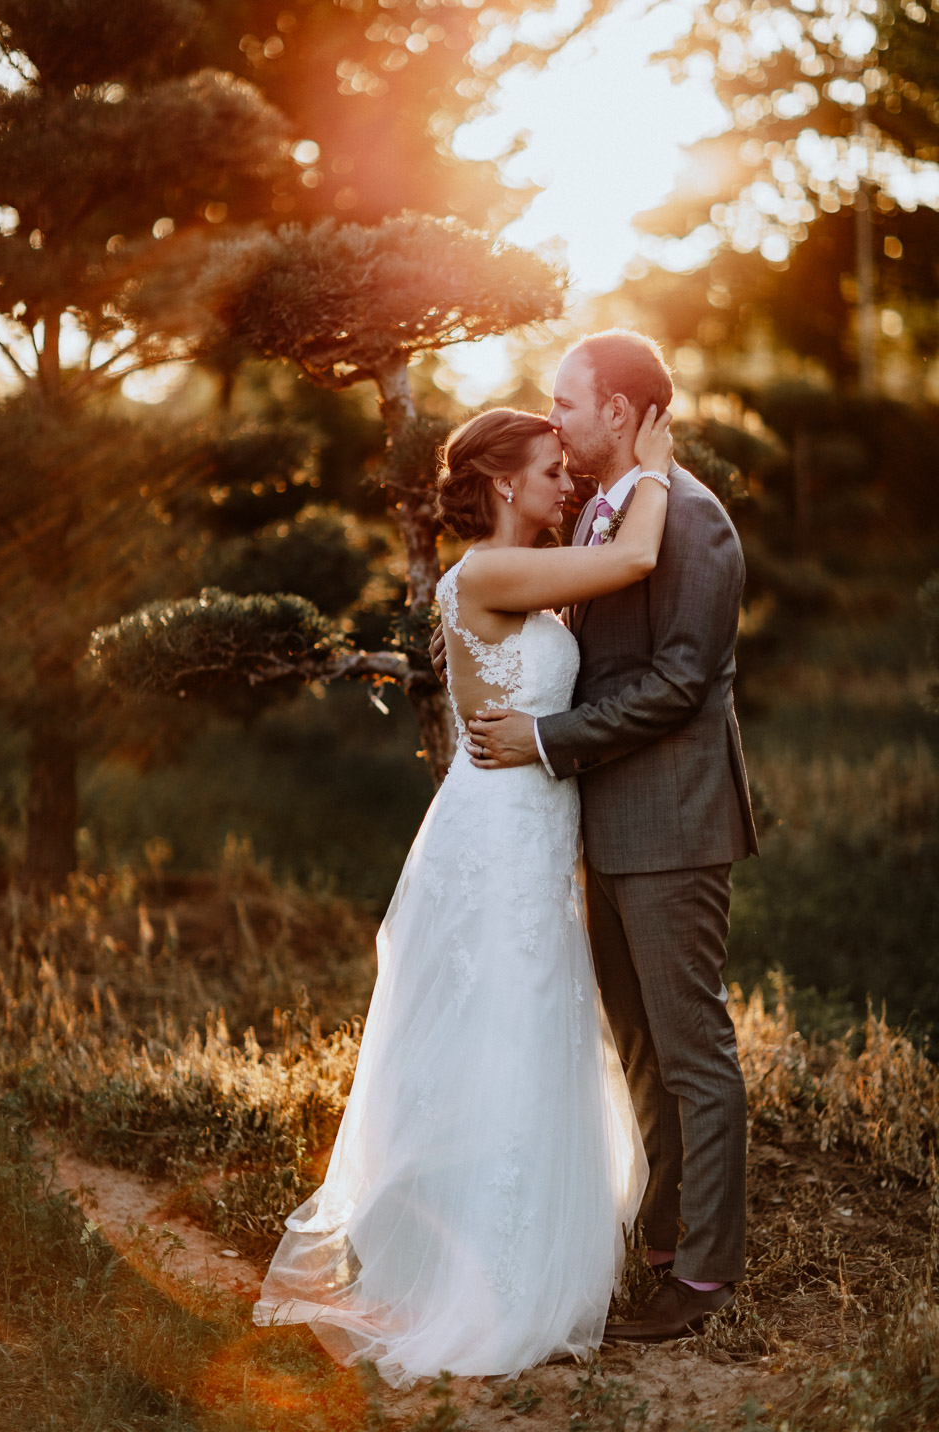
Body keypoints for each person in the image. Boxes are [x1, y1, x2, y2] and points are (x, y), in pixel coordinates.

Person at [253, 403, 675, 1386]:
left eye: (570, 471)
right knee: (502, 1027)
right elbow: (632, 561)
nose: (565, 483)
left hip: (533, 827)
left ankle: (520, 1261)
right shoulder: (485, 573)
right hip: (496, 835)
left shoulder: (527, 580)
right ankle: (483, 1282)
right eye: (549, 469)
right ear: (499, 483)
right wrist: (650, 467)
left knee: (533, 1030)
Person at [464, 331, 758, 1343]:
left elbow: (681, 683)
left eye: (569, 404)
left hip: (673, 823)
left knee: (693, 1053)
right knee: (640, 1052)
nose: (557, 421)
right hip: (602, 825)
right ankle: (667, 1240)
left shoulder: (696, 526)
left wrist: (546, 737)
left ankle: (708, 1277)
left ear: (622, 415)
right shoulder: (601, 514)